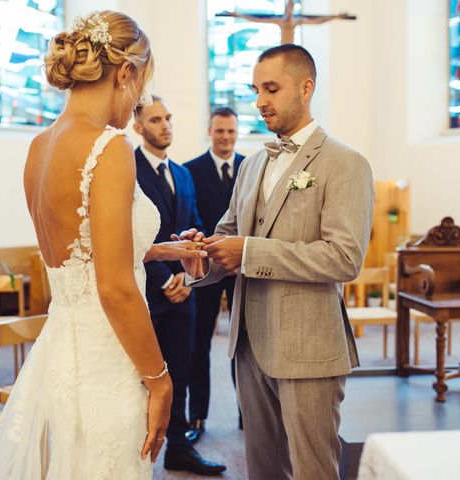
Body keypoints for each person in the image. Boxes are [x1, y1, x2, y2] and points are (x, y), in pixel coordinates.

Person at [0, 11, 208, 479]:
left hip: (61, 350)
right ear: (126, 73)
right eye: (142, 84)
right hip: (108, 355)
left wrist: (162, 250)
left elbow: (77, 255)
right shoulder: (110, 147)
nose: (138, 98)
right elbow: (113, 287)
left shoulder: (39, 146)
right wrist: (160, 382)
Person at [178, 44, 374, 480]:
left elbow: (344, 257)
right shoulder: (252, 165)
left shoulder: (346, 163)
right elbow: (228, 235)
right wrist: (201, 259)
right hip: (247, 345)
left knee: (312, 470)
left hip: (308, 346)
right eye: (255, 89)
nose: (259, 100)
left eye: (271, 88)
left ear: (306, 88)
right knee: (263, 469)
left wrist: (248, 251)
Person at [134, 97, 227, 476]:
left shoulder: (183, 175)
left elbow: (197, 225)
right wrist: (164, 278)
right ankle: (134, 453)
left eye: (168, 118)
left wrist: (190, 277)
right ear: (138, 126)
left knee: (181, 372)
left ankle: (178, 448)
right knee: (142, 378)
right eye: (156, 120)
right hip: (146, 293)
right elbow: (129, 234)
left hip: (184, 292)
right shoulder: (128, 169)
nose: (165, 125)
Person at [183, 107, 245, 442]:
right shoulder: (190, 170)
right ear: (210, 131)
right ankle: (198, 417)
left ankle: (246, 413)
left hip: (242, 269)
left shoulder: (251, 167)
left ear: (237, 133)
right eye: (220, 131)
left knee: (244, 344)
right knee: (199, 344)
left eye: (231, 132)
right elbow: (188, 216)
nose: (225, 137)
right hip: (205, 269)